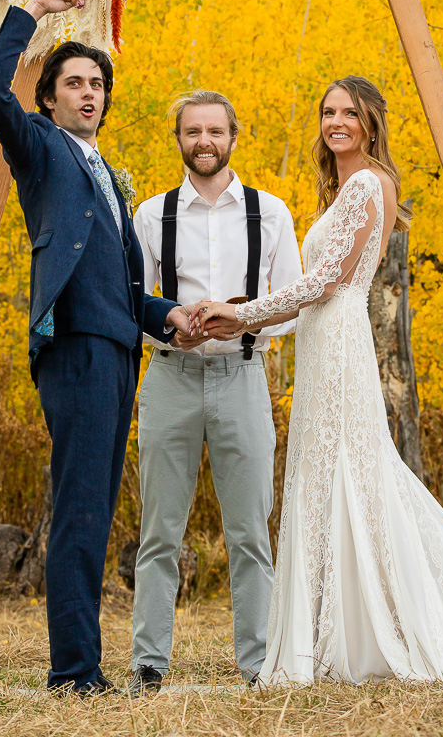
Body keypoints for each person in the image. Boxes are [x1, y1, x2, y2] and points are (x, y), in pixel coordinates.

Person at [195, 76, 443, 691]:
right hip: (323, 344)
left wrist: (242, 312)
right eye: (328, 112)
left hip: (342, 350)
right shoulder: (347, 189)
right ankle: (332, 632)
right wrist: (252, 316)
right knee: (327, 479)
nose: (336, 122)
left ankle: (367, 632)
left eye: (349, 113)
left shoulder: (366, 184)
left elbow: (324, 283)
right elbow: (310, 303)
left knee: (353, 475)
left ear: (371, 123)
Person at [0, 0, 191, 695]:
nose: (88, 93)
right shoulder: (38, 148)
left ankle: (81, 668)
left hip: (118, 348)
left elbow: (121, 283)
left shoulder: (105, 172)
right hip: (74, 347)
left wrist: (169, 318)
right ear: (49, 98)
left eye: (96, 83)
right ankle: (74, 673)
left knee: (94, 505)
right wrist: (30, 10)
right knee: (79, 508)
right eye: (72, 83)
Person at [128, 90, 302, 695]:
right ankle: (148, 664)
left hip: (242, 379)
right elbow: (130, 299)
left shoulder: (271, 213)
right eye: (193, 132)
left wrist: (242, 317)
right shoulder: (151, 215)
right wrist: (171, 317)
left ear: (235, 135)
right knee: (159, 530)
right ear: (178, 138)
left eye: (215, 131)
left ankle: (258, 665)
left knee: (251, 530)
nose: (204, 142)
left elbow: (293, 307)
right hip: (170, 379)